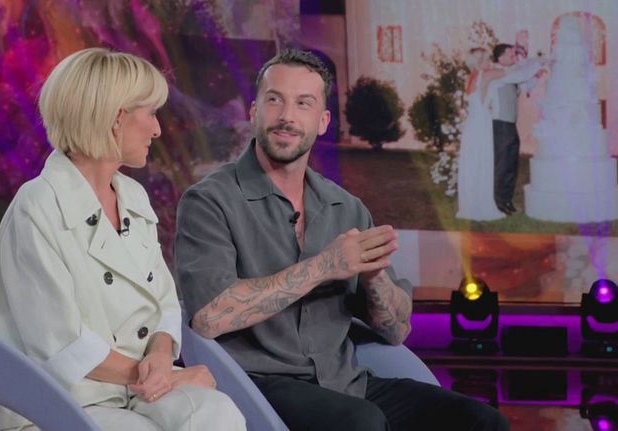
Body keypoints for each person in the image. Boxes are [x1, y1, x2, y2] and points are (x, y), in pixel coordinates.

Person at [175, 49, 510, 431]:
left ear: (322, 122)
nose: (287, 116)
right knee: (361, 422)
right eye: (275, 100)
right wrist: (324, 266)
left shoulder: (346, 208)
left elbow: (397, 330)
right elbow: (209, 317)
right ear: (254, 112)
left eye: (303, 103)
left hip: (344, 382)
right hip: (257, 384)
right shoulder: (209, 201)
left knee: (483, 421)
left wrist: (374, 277)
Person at [0, 48, 245, 431]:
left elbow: (164, 302)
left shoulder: (133, 196)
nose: (157, 130)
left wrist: (161, 356)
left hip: (135, 389)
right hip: (60, 398)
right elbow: (61, 344)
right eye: (150, 114)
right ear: (117, 118)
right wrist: (164, 375)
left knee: (217, 412)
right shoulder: (37, 206)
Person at [490, 43, 548, 215]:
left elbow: (524, 86)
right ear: (500, 57)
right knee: (503, 165)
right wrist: (540, 62)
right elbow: (520, 76)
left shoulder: (509, 74)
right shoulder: (496, 73)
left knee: (511, 164)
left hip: (509, 125)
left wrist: (536, 76)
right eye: (511, 55)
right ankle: (499, 202)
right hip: (500, 124)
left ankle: (506, 199)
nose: (514, 58)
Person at [456, 47, 507, 221]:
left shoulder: (470, 77)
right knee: (482, 161)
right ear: (478, 62)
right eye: (486, 59)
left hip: (472, 123)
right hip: (481, 124)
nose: (490, 62)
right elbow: (507, 72)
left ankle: (470, 203)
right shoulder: (485, 75)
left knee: (472, 163)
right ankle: (481, 203)